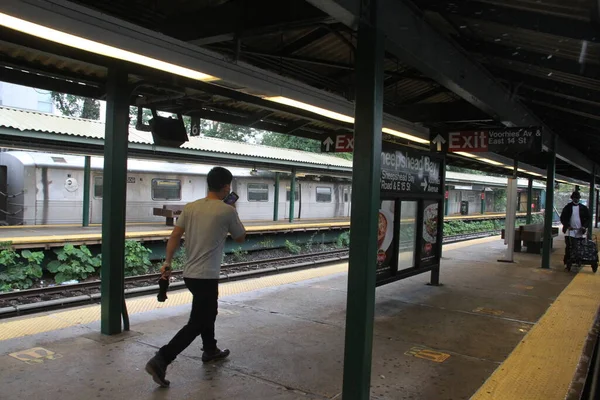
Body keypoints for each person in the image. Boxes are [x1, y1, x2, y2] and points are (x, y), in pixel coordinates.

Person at [145, 166, 246, 387]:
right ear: (227, 187)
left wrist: (168, 262)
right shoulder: (227, 211)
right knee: (200, 320)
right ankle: (162, 359)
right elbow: (240, 237)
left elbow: (174, 236)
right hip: (207, 276)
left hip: (190, 274)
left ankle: (210, 350)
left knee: (206, 312)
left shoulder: (191, 208)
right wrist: (234, 210)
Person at [560, 191, 591, 266]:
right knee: (570, 246)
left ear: (579, 199)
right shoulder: (567, 207)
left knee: (580, 246)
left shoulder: (583, 208)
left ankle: (578, 258)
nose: (576, 199)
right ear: (572, 198)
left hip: (580, 230)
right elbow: (562, 218)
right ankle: (568, 259)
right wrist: (567, 226)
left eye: (577, 198)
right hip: (570, 231)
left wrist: (584, 227)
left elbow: (588, 218)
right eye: (574, 198)